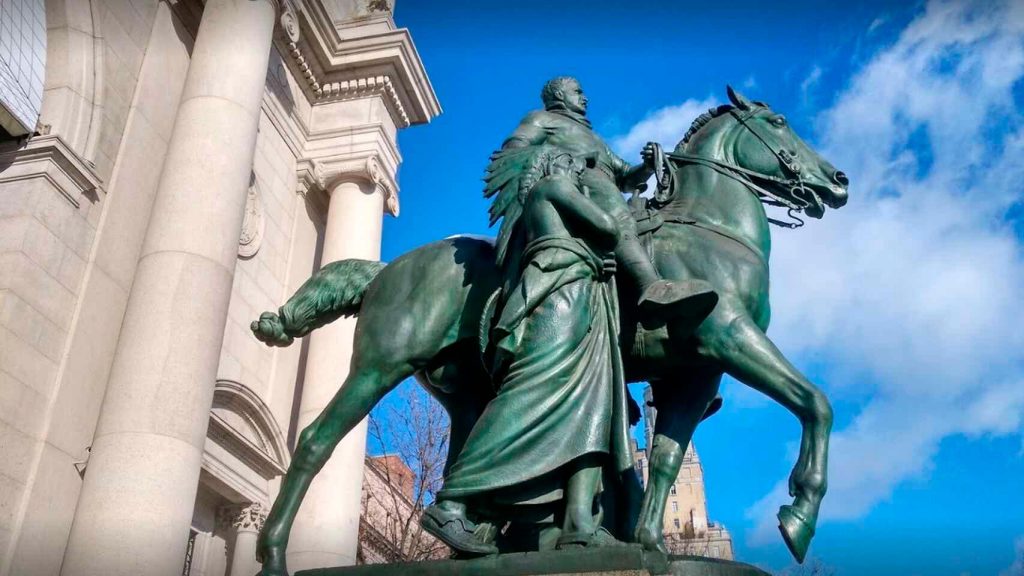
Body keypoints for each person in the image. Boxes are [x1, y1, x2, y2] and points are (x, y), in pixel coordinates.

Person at [420, 146, 635, 554]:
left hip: (580, 295)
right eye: (575, 168)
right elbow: (609, 228)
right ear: (557, 165)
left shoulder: (555, 197)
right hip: (558, 298)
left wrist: (596, 262)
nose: (579, 176)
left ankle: (578, 521)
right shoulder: (552, 186)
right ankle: (452, 503)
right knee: (526, 395)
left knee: (593, 405)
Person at [499, 76, 716, 323]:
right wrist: (570, 157)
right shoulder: (540, 119)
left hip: (605, 193)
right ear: (559, 96)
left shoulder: (594, 137)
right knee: (616, 209)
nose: (585, 97)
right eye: (578, 91)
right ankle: (650, 286)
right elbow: (512, 152)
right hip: (575, 191)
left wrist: (646, 166)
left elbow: (625, 177)